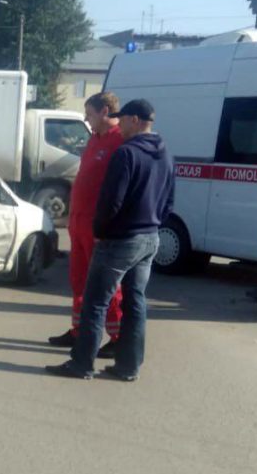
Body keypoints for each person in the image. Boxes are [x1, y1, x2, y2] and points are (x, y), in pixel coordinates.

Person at [46, 99, 175, 381]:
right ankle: (128, 367)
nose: (121, 124)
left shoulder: (125, 152)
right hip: (148, 237)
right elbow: (169, 200)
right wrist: (154, 223)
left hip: (120, 239)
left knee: (95, 301)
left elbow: (110, 201)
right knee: (135, 302)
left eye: (125, 119)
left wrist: (102, 231)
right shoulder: (164, 153)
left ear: (135, 120)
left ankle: (82, 364)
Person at [47, 92, 124, 356]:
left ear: (105, 111)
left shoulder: (119, 141)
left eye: (89, 114)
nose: (86, 119)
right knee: (78, 281)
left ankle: (118, 336)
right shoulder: (95, 139)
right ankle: (78, 331)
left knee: (105, 283)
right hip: (79, 223)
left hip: (98, 226)